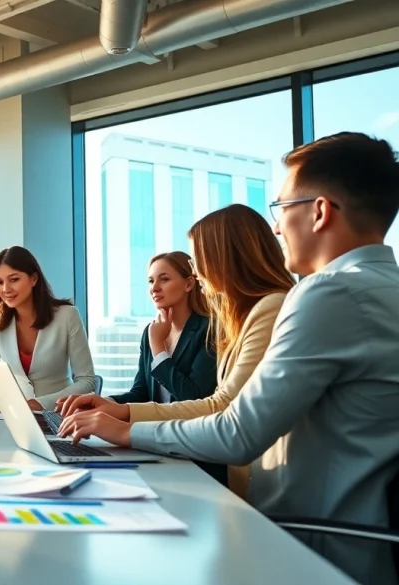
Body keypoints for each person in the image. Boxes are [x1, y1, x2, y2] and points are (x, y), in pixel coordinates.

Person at [60, 132, 399, 585]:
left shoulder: (330, 294)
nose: (276, 227)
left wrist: (125, 431)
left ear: (319, 212)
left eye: (282, 210)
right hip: (349, 539)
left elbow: (237, 431)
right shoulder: (380, 287)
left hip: (305, 544)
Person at [58, 204, 294, 495]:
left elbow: (217, 405)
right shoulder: (238, 320)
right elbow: (144, 392)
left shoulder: (250, 316)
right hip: (223, 465)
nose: (197, 271)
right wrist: (116, 409)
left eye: (199, 260)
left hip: (240, 476)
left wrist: (125, 427)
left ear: (224, 258)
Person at [0, 246, 96, 412]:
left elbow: (87, 380)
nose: (6, 289)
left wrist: (41, 403)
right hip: (13, 417)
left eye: (14, 279)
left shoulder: (67, 316)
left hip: (59, 416)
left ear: (33, 279)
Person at [107, 251, 217, 407]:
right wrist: (106, 402)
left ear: (189, 284)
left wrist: (158, 347)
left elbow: (193, 398)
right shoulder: (150, 331)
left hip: (189, 428)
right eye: (151, 281)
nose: (154, 288)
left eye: (164, 279)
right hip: (155, 428)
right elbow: (141, 394)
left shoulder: (209, 330)